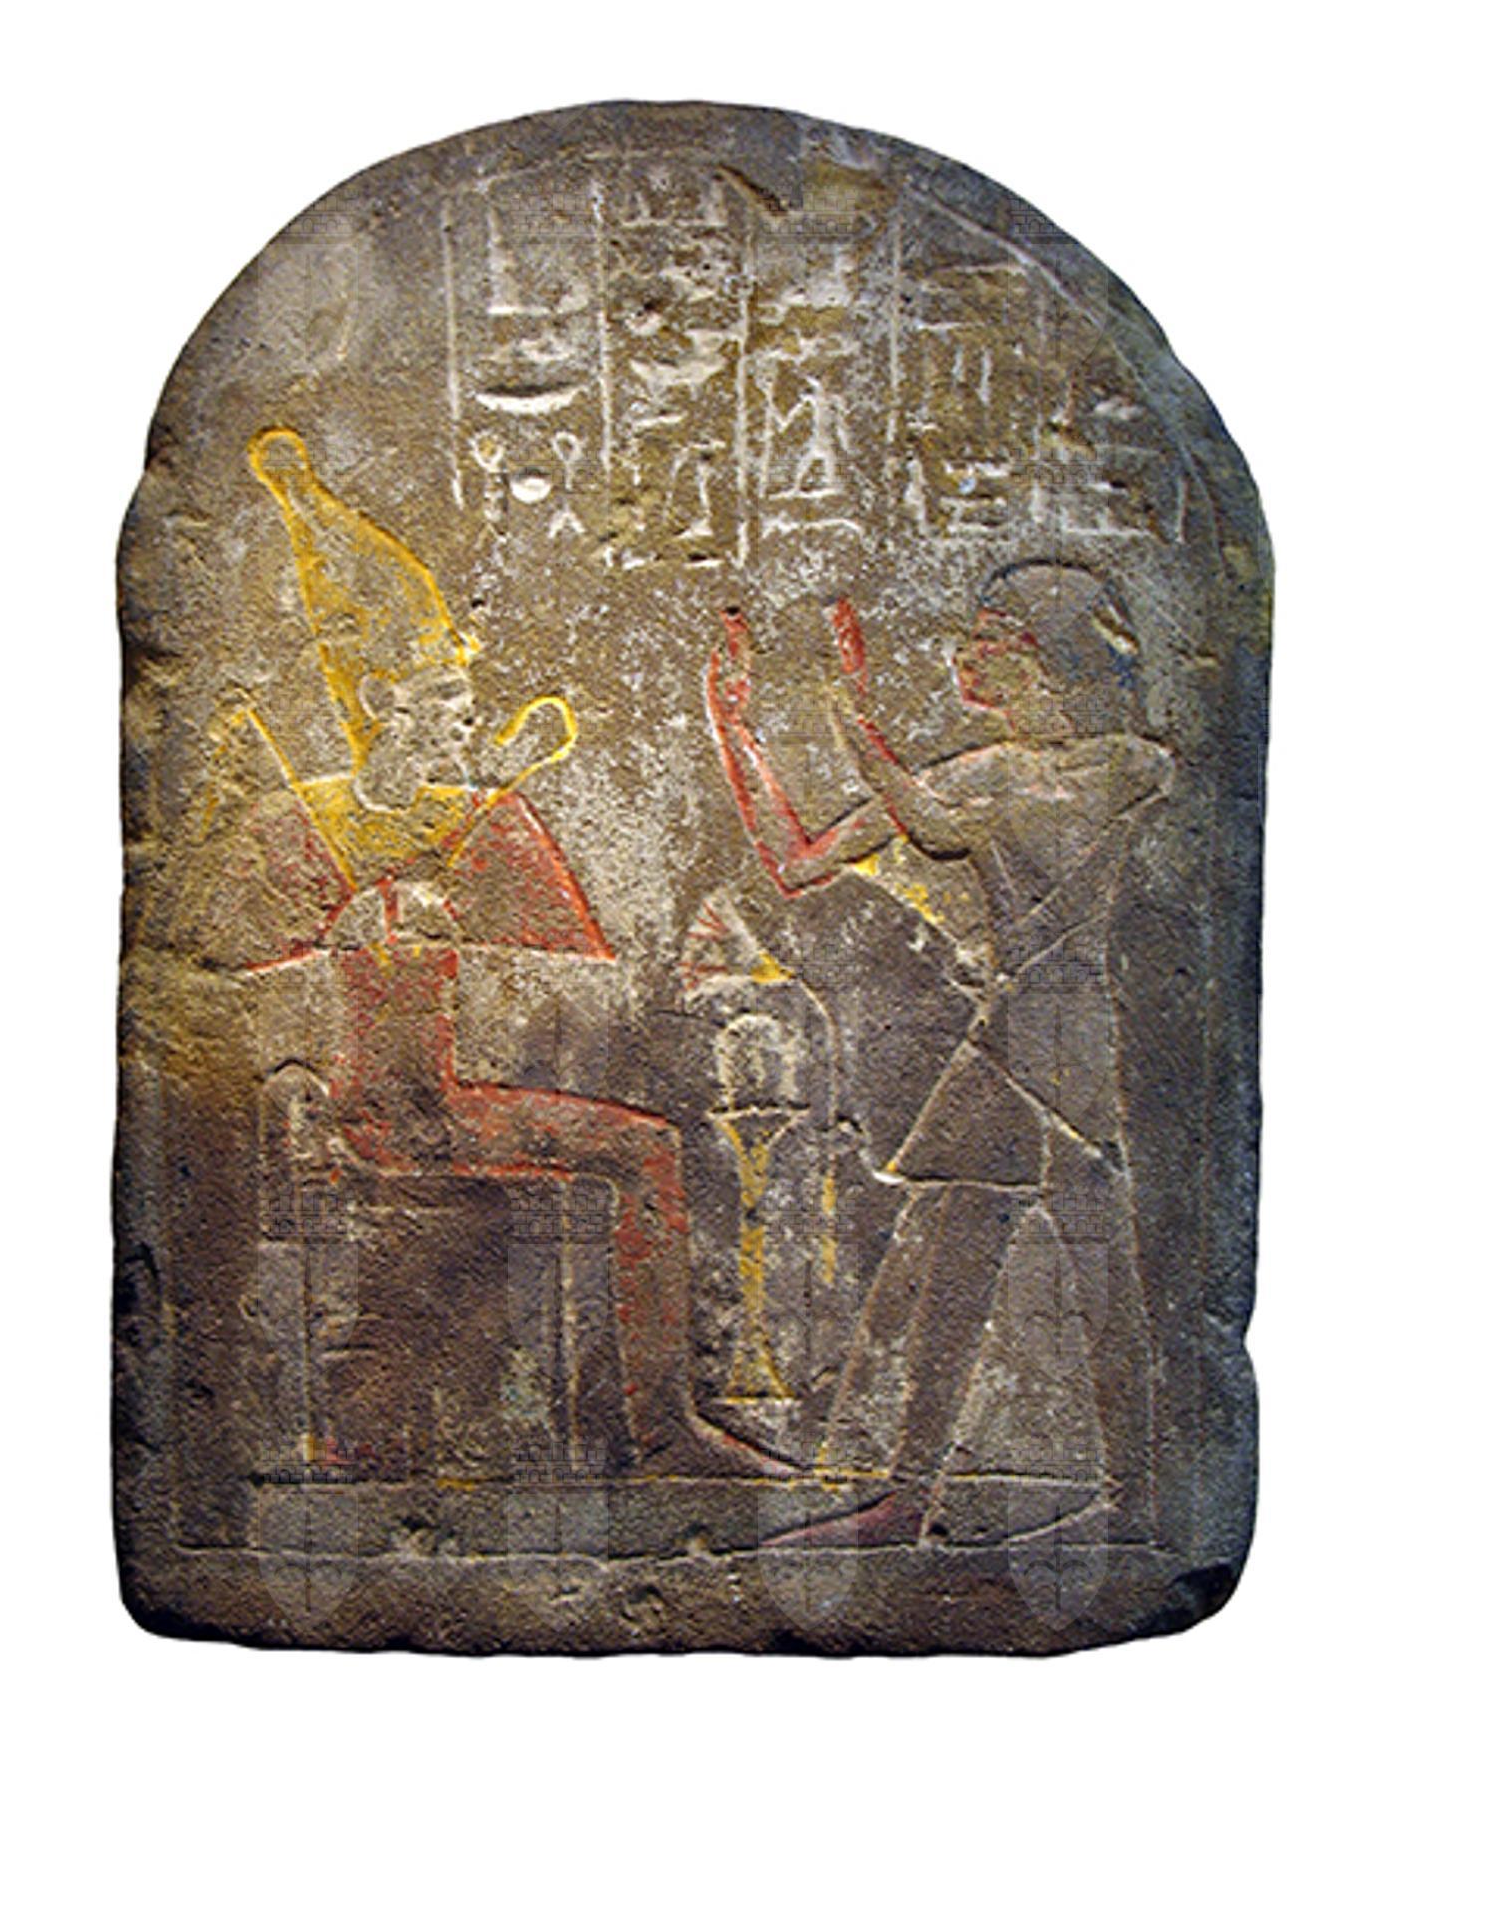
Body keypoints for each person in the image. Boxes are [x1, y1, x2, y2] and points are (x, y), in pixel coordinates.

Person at [176, 427, 784, 1480]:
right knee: (643, 1154)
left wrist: (469, 916)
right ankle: (657, 1430)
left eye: (468, 709)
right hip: (373, 1112)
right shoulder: (297, 823)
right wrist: (343, 939)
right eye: (448, 708)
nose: (468, 726)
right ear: (382, 705)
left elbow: (574, 971)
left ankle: (654, 1425)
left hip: (448, 1095)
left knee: (653, 1142)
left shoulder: (482, 818)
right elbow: (214, 991)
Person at [705, 563, 1172, 1541]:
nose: (967, 648)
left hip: (1063, 1040)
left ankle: (1126, 1497)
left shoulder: (1124, 765)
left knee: (1089, 1264)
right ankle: (914, 1494)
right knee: (963, 1261)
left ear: (1045, 654)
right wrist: (738, 731)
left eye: (990, 631)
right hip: (1013, 1035)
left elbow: (945, 819)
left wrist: (848, 713)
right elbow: (797, 862)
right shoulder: (986, 773)